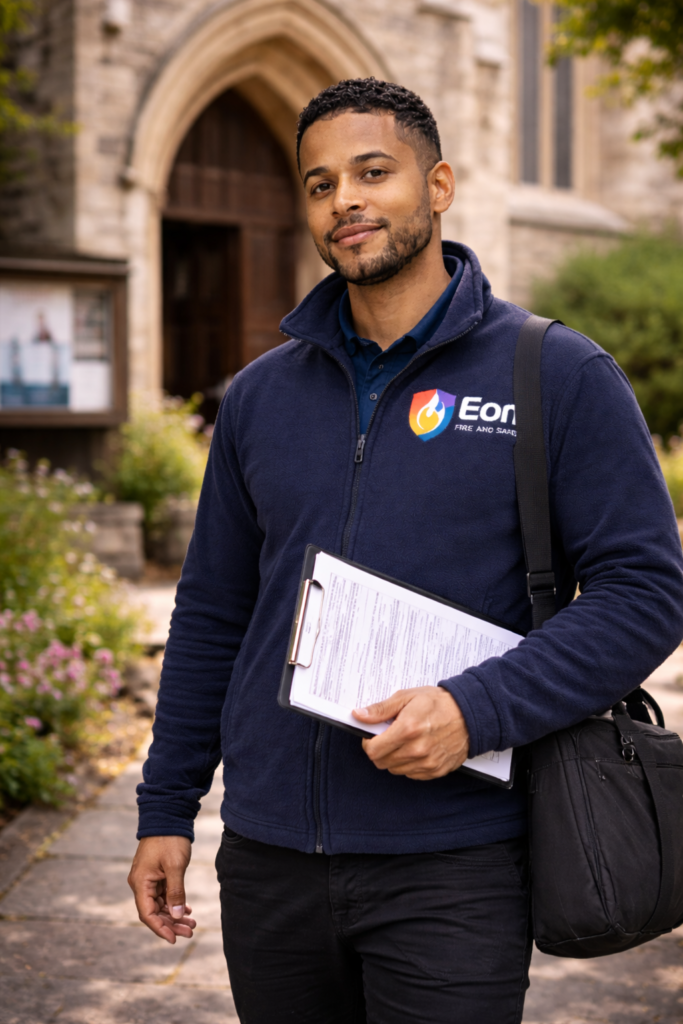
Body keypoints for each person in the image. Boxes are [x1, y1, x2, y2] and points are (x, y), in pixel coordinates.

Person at [128, 78, 683, 1023]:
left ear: (438, 186)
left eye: (371, 171)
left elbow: (644, 594)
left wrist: (476, 709)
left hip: (454, 863)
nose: (343, 198)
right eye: (317, 182)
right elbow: (214, 610)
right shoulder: (259, 397)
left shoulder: (555, 374)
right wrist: (166, 808)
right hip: (268, 862)